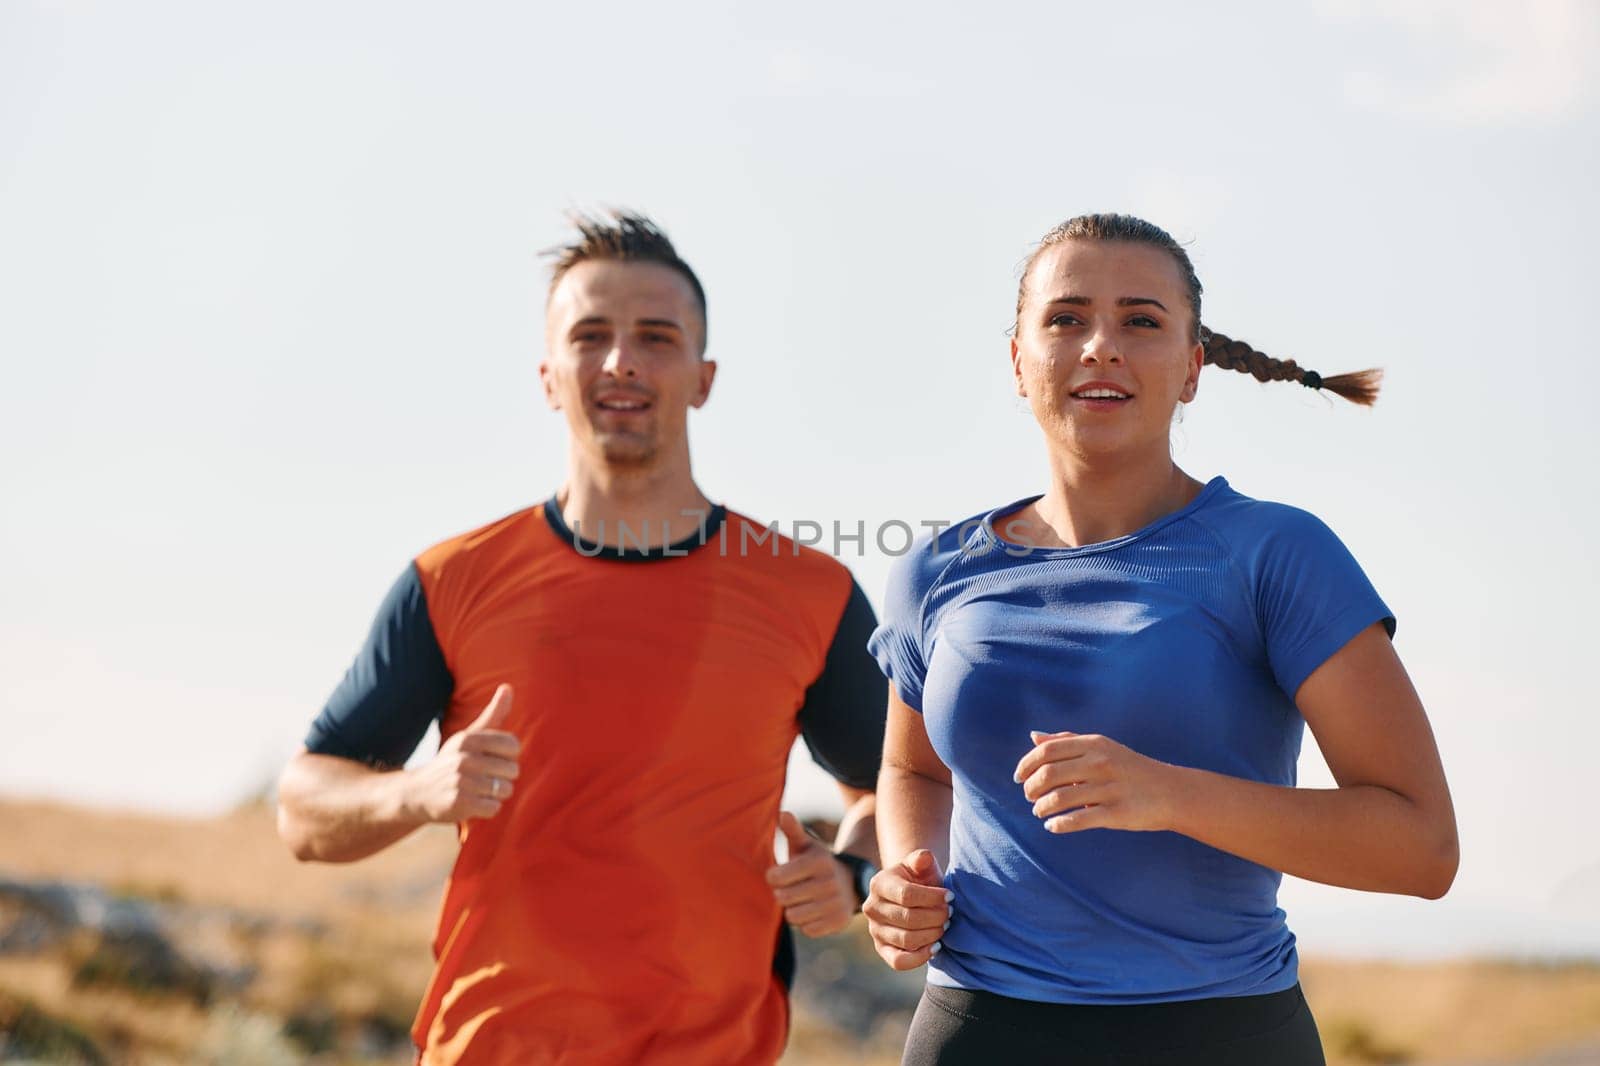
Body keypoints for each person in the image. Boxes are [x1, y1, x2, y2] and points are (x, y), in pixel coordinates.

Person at [275, 211, 887, 1065]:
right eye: (590, 335)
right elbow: (304, 808)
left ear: (704, 378)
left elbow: (896, 789)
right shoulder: (452, 580)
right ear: (549, 376)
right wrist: (418, 794)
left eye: (656, 337)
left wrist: (854, 875)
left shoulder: (808, 592)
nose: (621, 361)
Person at [862, 214, 1458, 1065]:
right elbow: (912, 768)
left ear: (1191, 370)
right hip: (977, 1031)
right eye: (1066, 318)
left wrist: (1168, 794)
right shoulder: (934, 571)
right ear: (1017, 361)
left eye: (1141, 321)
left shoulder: (1275, 554)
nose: (1102, 345)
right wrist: (905, 876)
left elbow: (1423, 848)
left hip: (1217, 1033)